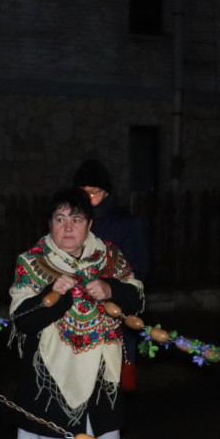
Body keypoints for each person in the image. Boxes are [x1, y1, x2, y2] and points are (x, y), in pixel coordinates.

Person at [8, 187, 143, 439]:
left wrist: (112, 289)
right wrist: (54, 294)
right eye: (59, 219)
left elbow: (137, 298)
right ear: (49, 224)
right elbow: (22, 319)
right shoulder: (32, 262)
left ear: (90, 224)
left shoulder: (111, 257)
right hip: (51, 380)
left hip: (101, 379)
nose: (68, 228)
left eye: (77, 219)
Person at [73, 159, 148, 388]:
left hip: (114, 319)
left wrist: (108, 286)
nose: (88, 198)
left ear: (106, 192)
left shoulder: (125, 224)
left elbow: (139, 270)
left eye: (93, 193)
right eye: (82, 192)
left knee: (111, 386)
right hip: (78, 321)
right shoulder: (72, 222)